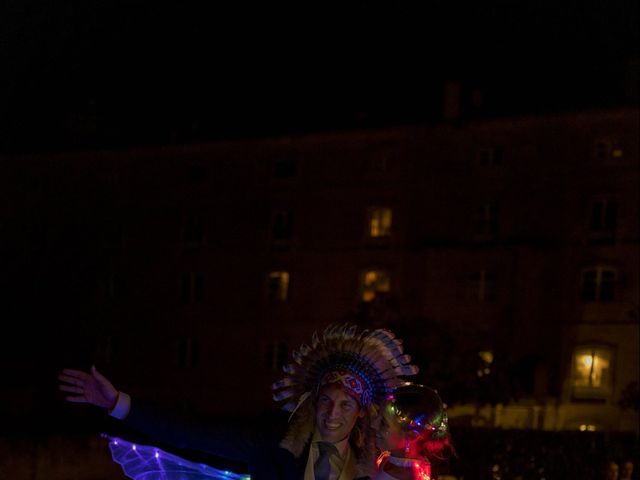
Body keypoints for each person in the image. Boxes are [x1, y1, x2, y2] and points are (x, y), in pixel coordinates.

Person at [59, 323, 419, 480]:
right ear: (312, 402)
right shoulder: (273, 443)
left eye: (345, 405)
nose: (332, 414)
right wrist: (118, 403)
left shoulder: (372, 466)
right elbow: (193, 433)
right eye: (326, 401)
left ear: (359, 414)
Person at [374, 384, 453, 480]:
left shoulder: (403, 476)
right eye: (377, 416)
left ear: (412, 435)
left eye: (383, 423)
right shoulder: (389, 462)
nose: (373, 424)